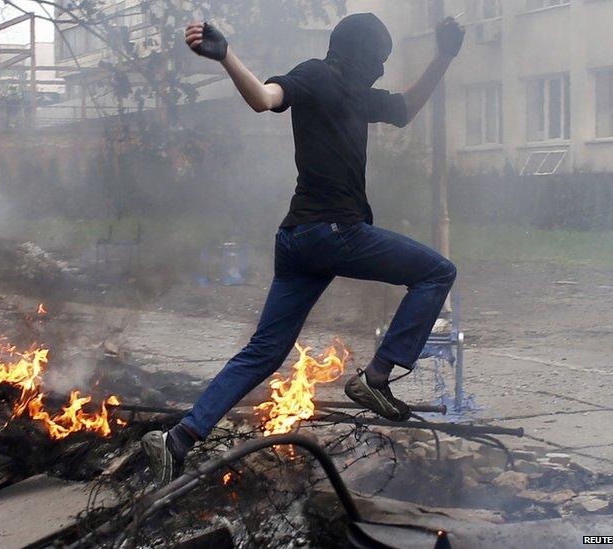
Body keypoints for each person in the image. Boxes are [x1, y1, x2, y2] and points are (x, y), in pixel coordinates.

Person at [143, 13, 466, 486]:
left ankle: (179, 440)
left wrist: (443, 56)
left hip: (298, 241)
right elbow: (265, 98)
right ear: (357, 53)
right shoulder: (317, 75)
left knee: (264, 352)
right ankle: (375, 379)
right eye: (377, 59)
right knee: (437, 271)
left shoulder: (358, 96)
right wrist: (226, 56)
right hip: (334, 233)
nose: (380, 70)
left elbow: (406, 107)